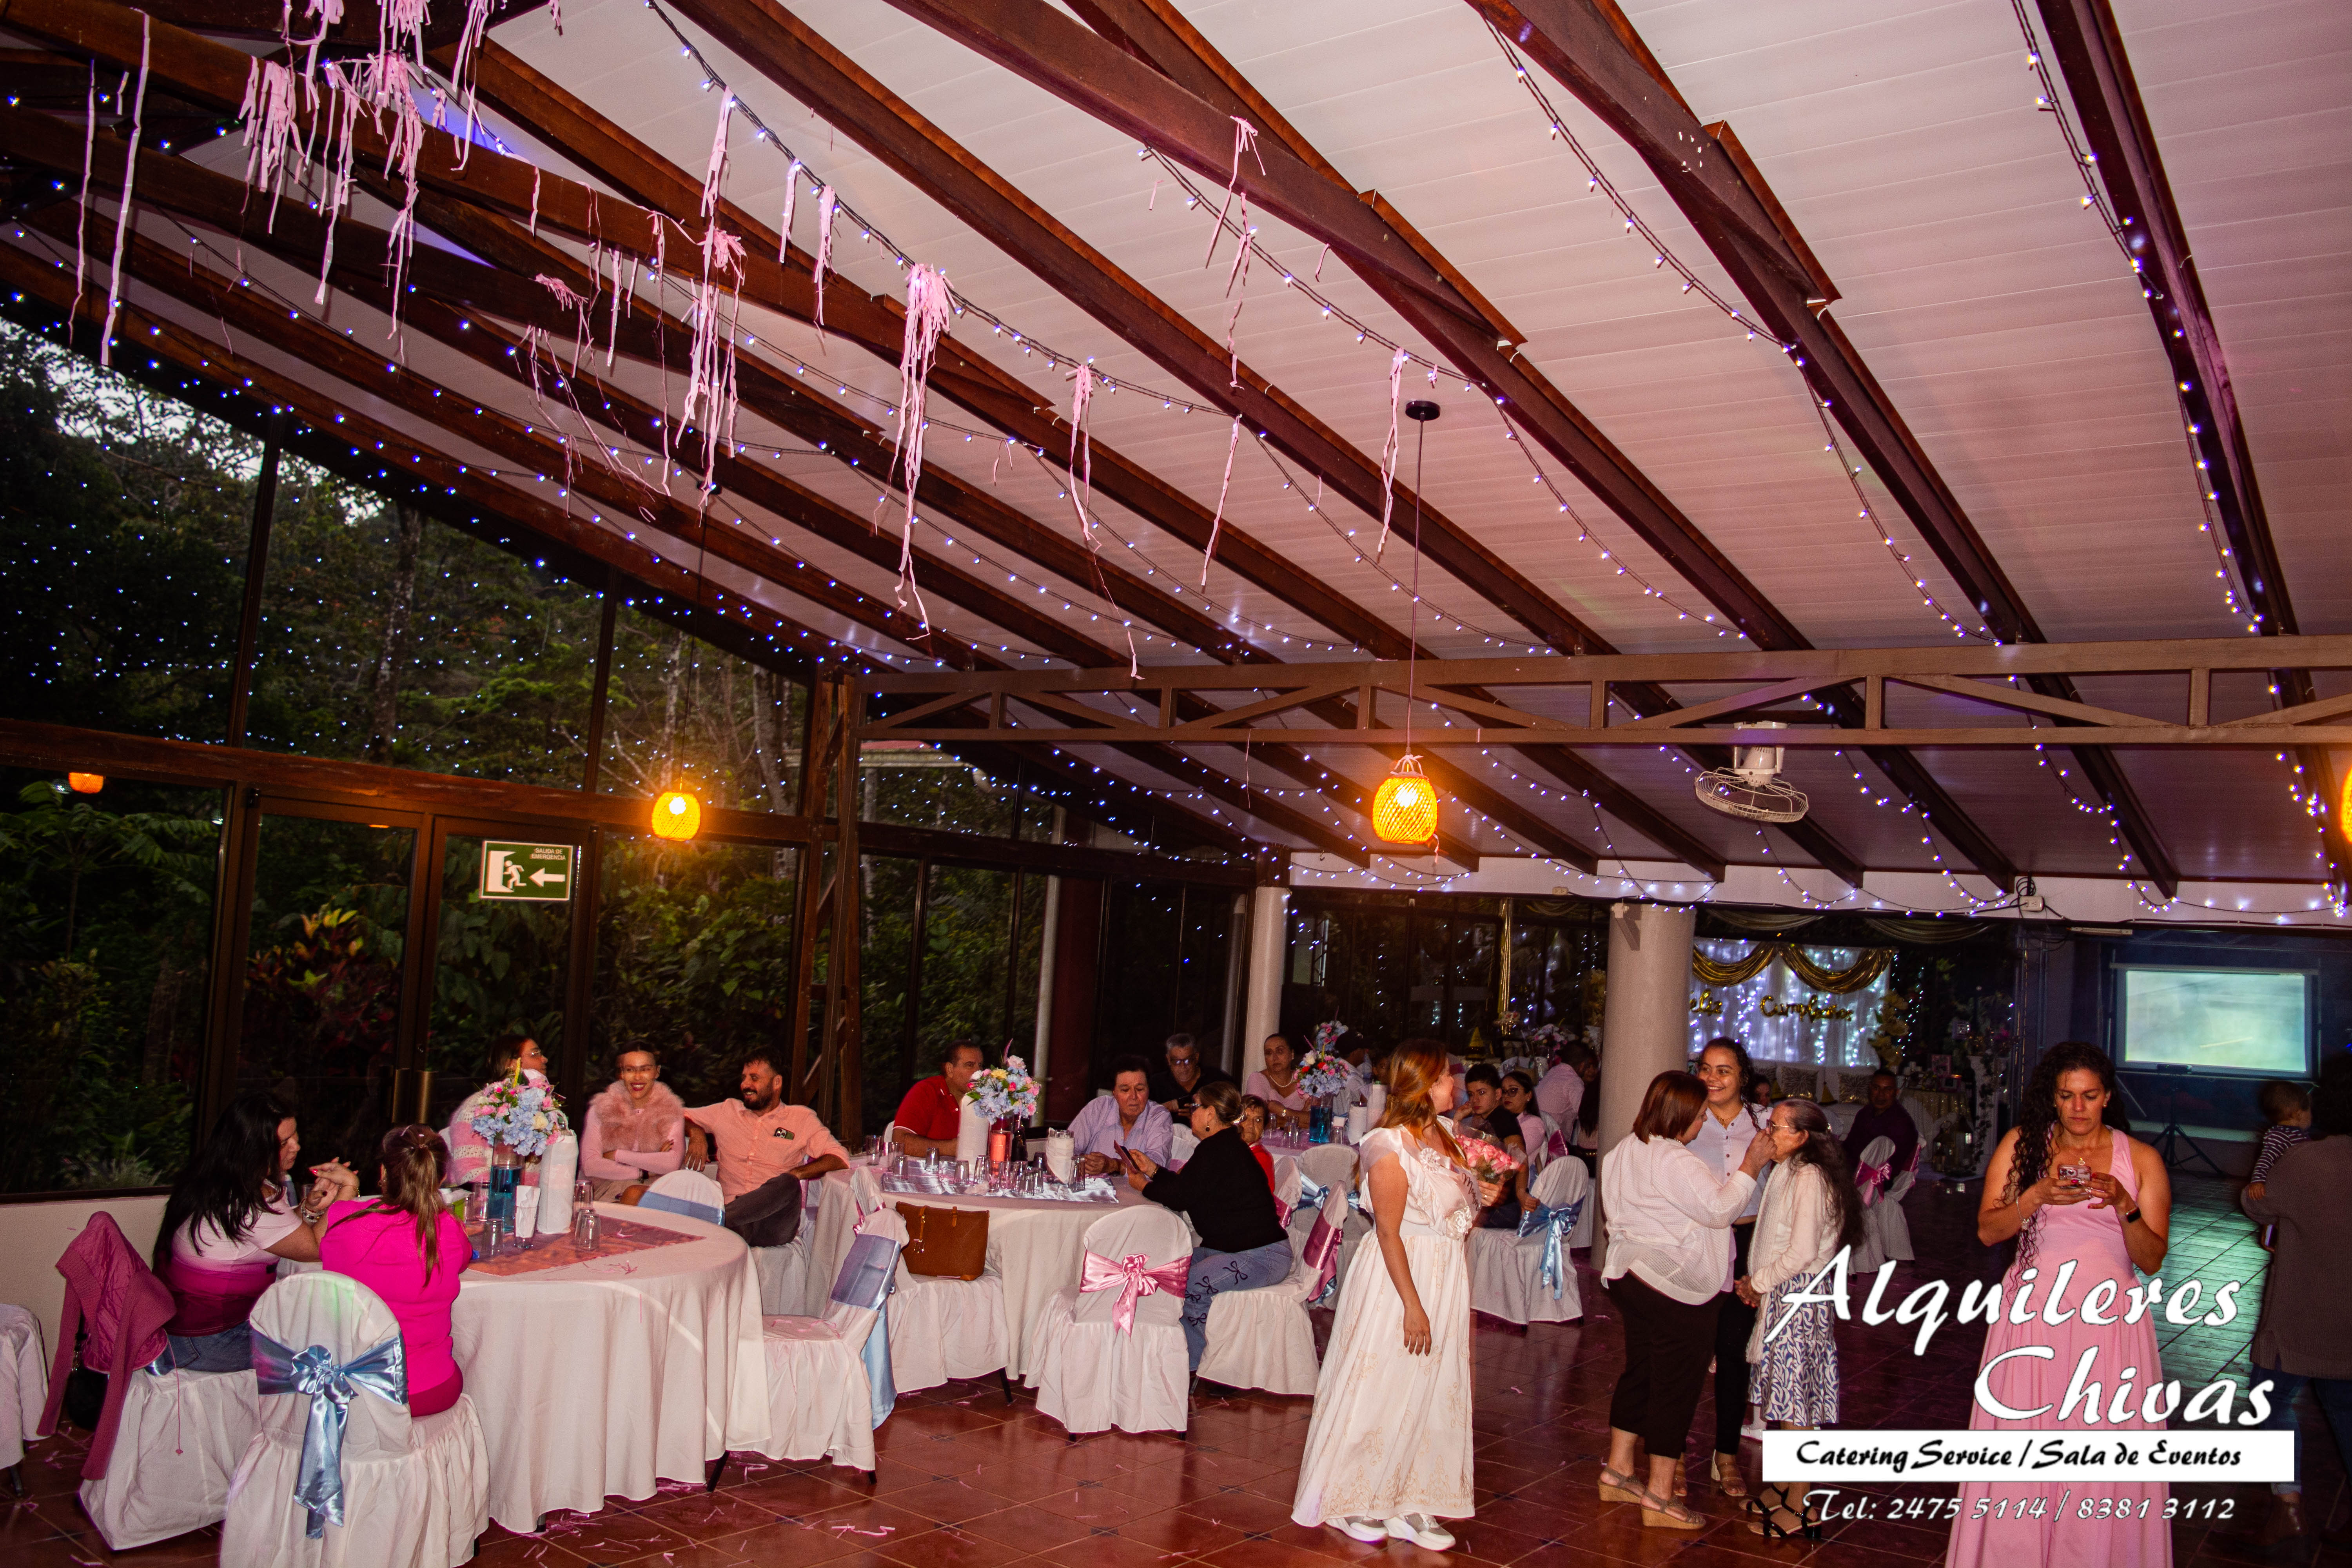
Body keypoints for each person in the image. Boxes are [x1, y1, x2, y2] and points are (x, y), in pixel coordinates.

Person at [1947, 1042, 2172, 1568]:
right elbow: (1986, 1230)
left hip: (2109, 1322)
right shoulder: (2023, 1144)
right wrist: (2035, 1197)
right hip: (2033, 1315)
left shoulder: (2140, 1159)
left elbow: (2154, 1258)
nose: (2077, 1107)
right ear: (2053, 1098)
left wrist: (2124, 1204)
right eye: (2067, 1096)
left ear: (2107, 1098)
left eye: (2089, 1096)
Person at [1292, 1039, 1500, 1550]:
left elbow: (1455, 1219)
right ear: (1425, 1085)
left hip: (1444, 1273)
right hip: (1397, 1276)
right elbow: (1387, 1232)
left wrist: (1483, 1194)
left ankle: (1413, 1499)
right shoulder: (1387, 1144)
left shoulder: (1450, 1135)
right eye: (1448, 1077)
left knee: (1431, 1386)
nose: (1456, 1085)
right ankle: (1352, 1499)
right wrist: (1412, 1305)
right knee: (1382, 1383)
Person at [1598, 1069, 1773, 1531]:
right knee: (1675, 1384)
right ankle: (1658, 1495)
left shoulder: (1624, 1150)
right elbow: (1720, 1211)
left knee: (1642, 1369)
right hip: (1674, 1285)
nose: (1701, 1123)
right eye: (1699, 1116)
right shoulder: (1674, 1158)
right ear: (1680, 1116)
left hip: (1630, 1275)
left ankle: (1617, 1470)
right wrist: (1751, 1165)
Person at [151, 1093, 359, 1371]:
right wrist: (349, 1189)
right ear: (254, 1147)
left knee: (307, 1322)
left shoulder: (221, 1176)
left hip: (186, 1326)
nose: (297, 1147)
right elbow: (314, 1248)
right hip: (206, 1341)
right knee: (326, 1350)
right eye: (285, 1143)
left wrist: (310, 1209)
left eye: (295, 1135)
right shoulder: (245, 1199)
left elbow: (277, 1232)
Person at [1739, 1099, 1864, 1541]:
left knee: (1796, 1403)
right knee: (1785, 1394)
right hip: (1788, 1292)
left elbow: (1803, 1250)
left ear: (1803, 1137)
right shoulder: (1790, 1169)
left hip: (1799, 1296)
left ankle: (1802, 1503)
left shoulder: (1809, 1175)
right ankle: (1785, 1484)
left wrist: (1760, 1281)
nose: (1768, 1133)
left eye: (1777, 1127)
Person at [2241, 1052, 2352, 1548]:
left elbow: (2255, 1201)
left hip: (2302, 1316)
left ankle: (2287, 1508)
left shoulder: (2307, 1161)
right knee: (2346, 1410)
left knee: (2273, 1401)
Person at [1124, 1081, 1293, 1374]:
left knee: (1192, 1285)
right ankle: (1166, 1349)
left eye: (1196, 1107)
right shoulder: (1221, 1147)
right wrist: (1152, 1170)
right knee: (1171, 1271)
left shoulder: (1220, 1150)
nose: (1191, 1113)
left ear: (1211, 1114)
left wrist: (1144, 1186)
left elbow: (1180, 1197)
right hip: (1235, 1248)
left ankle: (1189, 1365)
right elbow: (1187, 1188)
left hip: (1262, 1255)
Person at [317, 1125, 472, 1417]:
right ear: (440, 1178)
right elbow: (463, 1261)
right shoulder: (448, 1230)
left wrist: (347, 1191)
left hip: (353, 1388)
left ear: (384, 1173)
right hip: (428, 1391)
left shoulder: (341, 1219)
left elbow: (322, 1249)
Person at [1689, 1037, 1772, 1502]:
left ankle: (1726, 1455)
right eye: (1706, 1068)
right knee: (1689, 1347)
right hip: (1697, 1239)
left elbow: (1779, 1192)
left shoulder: (1764, 1123)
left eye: (1724, 1070)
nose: (1713, 1078)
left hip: (1745, 1241)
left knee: (1733, 1350)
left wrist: (1765, 1265)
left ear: (1743, 1075)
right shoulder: (1687, 1118)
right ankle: (1673, 1453)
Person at [684, 1051, 849, 1204]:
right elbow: (674, 1115)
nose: (745, 1085)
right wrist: (696, 1132)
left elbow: (839, 1157)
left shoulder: (801, 1119)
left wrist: (796, 1175)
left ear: (777, 1082)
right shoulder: (727, 1111)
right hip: (730, 1210)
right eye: (744, 1078)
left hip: (774, 1211)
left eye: (754, 1078)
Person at [579, 1045, 685, 1201]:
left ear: (657, 1072)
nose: (637, 1077)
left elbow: (672, 1163)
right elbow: (591, 1166)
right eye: (630, 1070)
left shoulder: (671, 1111)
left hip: (653, 1192)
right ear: (622, 1074)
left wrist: (617, 1155)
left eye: (645, 1069)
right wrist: (645, 1171)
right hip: (607, 1191)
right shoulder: (601, 1109)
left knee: (637, 1196)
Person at [445, 1034, 547, 1186]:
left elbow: (541, 1173)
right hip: (482, 1201)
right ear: (513, 1064)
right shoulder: (478, 1107)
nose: (544, 1059)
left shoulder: (542, 1108)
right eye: (535, 1054)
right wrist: (509, 1194)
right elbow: (468, 1172)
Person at [1069, 1056, 1174, 1177]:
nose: (1133, 1096)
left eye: (1140, 1089)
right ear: (1114, 1092)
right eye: (1125, 1090)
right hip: (1091, 1192)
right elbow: (1067, 1150)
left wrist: (1115, 1166)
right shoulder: (1098, 1108)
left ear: (1149, 1090)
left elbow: (1155, 1169)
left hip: (1138, 1195)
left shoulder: (1159, 1117)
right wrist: (1084, 1162)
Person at [1457, 1064, 1527, 1231]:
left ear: (1497, 1094)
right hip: (1492, 1202)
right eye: (1471, 1094)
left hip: (1504, 1208)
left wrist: (1521, 1193)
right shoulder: (1482, 1118)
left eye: (1482, 1093)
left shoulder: (1502, 1119)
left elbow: (1521, 1160)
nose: (1475, 1100)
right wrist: (1459, 1118)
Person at [891, 1040, 985, 1157]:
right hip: (926, 1173)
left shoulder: (988, 1098)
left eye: (980, 1065)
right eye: (970, 1065)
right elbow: (899, 1143)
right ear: (950, 1069)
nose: (979, 1072)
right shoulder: (926, 1091)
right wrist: (951, 1148)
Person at [1839, 1069, 1919, 1183]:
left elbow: (1892, 1168)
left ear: (1896, 1093)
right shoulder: (1865, 1113)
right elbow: (1849, 1146)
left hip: (1877, 1181)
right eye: (1876, 1088)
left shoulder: (1901, 1123)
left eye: (1888, 1090)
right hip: (1853, 1169)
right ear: (1870, 1089)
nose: (1881, 1095)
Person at [2244, 1078, 2312, 1205]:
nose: (2311, 1116)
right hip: (2286, 1187)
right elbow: (2267, 1158)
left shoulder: (2298, 1134)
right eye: (2309, 1111)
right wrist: (2258, 1181)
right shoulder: (2279, 1135)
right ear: (2298, 1114)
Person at [1148, 1032, 1235, 1118]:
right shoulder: (1157, 1084)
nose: (1183, 1067)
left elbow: (1232, 1112)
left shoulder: (1217, 1080)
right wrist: (1163, 1108)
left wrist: (1200, 1115)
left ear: (1196, 1058)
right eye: (1177, 1061)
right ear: (1168, 1060)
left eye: (1188, 1061)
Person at [1243, 1033, 1309, 1133]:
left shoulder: (1304, 1078)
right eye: (1269, 1053)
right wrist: (1300, 1117)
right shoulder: (1257, 1079)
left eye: (1280, 1051)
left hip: (1299, 1144)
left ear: (1292, 1054)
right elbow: (1257, 1121)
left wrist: (1282, 1111)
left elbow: (1315, 1120)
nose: (1275, 1058)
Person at [1535, 1042, 1586, 1132]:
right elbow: (1584, 1113)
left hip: (1538, 1128)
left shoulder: (1554, 1071)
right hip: (1552, 1138)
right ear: (1582, 1065)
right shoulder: (1573, 1081)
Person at [1501, 1069, 1548, 1155]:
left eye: (1513, 1091)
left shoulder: (1534, 1123)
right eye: (1504, 1091)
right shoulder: (1501, 1119)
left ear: (1529, 1096)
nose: (1506, 1096)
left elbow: (1517, 1156)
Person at [1237, 1094, 1278, 1191]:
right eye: (1246, 1118)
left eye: (1258, 1120)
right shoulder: (1233, 1148)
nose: (1251, 1125)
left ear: (1263, 1127)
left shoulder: (1260, 1157)